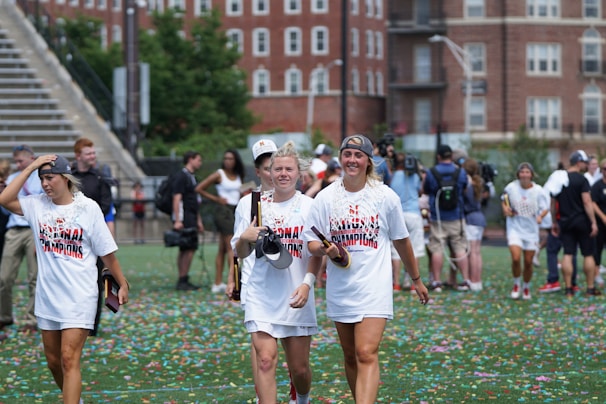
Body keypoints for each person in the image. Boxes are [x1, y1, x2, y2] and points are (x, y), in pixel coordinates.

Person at [305, 134, 429, 402]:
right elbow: (311, 243)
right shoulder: (325, 198)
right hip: (341, 287)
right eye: (347, 154)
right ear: (340, 158)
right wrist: (325, 250)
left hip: (374, 287)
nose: (352, 160)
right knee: (350, 356)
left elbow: (402, 241)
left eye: (358, 155)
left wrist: (416, 279)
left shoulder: (385, 197)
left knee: (365, 352)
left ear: (368, 161)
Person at [0, 154, 129, 403]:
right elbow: (4, 199)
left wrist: (121, 282)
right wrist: (32, 167)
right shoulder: (36, 205)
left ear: (65, 178)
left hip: (80, 295)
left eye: (50, 177)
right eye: (42, 179)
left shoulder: (88, 208)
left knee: (69, 357)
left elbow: (107, 252)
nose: (45, 183)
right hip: (48, 296)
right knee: (53, 361)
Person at [234, 141, 321, 404]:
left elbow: (316, 252)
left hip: (296, 295)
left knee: (300, 370)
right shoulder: (252, 205)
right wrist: (245, 238)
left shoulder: (310, 206)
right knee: (264, 359)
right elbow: (239, 252)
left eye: (289, 169)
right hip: (261, 294)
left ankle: (302, 399)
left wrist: (307, 284)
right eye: (278, 169)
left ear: (299, 174)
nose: (283, 174)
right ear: (268, 173)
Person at [0, 145, 44, 333]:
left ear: (32, 158)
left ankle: (32, 320)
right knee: (4, 277)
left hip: (33, 229)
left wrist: (41, 235)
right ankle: (4, 316)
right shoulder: (11, 179)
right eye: (16, 161)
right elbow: (4, 210)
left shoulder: (42, 178)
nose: (18, 165)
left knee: (34, 278)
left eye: (21, 161)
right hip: (13, 230)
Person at [71, 137, 113, 336]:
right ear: (78, 156)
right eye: (88, 153)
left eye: (94, 153)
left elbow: (105, 207)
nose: (93, 156)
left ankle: (91, 325)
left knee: (95, 283)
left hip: (93, 238)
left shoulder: (100, 178)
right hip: (70, 238)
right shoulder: (67, 177)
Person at [547, 150, 601, 297]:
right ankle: (590, 288)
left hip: (565, 221)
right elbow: (587, 201)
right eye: (584, 162)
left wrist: (554, 221)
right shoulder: (582, 180)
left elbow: (553, 203)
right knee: (588, 254)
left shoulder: (559, 179)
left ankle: (569, 288)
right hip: (582, 221)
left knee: (568, 254)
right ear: (578, 162)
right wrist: (593, 222)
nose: (586, 165)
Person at [196, 149, 245, 293]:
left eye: (231, 158)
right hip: (223, 211)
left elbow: (238, 192)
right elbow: (199, 188)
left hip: (235, 209)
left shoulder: (237, 175)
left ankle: (217, 283)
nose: (228, 161)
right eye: (226, 158)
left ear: (236, 160)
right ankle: (235, 280)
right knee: (232, 246)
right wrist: (216, 199)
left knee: (222, 249)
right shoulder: (219, 174)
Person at [422, 144, 470, 291]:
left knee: (437, 248)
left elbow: (425, 189)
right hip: (456, 216)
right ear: (451, 156)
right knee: (459, 248)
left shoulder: (431, 172)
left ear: (438, 157)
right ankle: (466, 280)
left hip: (438, 218)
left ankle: (437, 281)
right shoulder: (460, 172)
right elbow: (465, 189)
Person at [501, 163, 549, 300]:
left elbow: (545, 208)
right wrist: (505, 209)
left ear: (531, 175)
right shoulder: (511, 187)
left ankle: (526, 286)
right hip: (515, 227)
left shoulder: (538, 190)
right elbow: (504, 200)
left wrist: (540, 216)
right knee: (516, 258)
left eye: (527, 172)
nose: (524, 175)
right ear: (518, 175)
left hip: (531, 230)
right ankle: (516, 284)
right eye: (522, 172)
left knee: (528, 262)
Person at [389, 152, 425, 291]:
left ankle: (396, 283)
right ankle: (412, 284)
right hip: (414, 214)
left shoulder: (393, 177)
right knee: (414, 249)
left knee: (395, 250)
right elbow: (420, 191)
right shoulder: (415, 176)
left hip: (399, 214)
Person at [172, 151, 204, 291]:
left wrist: (199, 220)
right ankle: (182, 278)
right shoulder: (181, 176)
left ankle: (183, 278)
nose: (200, 163)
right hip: (185, 217)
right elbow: (177, 198)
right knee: (187, 247)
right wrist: (178, 219)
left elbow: (195, 202)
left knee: (187, 247)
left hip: (191, 216)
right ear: (190, 159)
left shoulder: (192, 177)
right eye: (198, 160)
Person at [462, 158, 486, 291]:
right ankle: (478, 280)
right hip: (480, 218)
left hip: (470, 219)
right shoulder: (479, 183)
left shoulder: (468, 184)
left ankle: (472, 279)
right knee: (477, 251)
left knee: (471, 252)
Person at [590, 157, 606, 288]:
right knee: (598, 249)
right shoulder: (597, 186)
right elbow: (593, 203)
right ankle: (596, 274)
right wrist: (602, 216)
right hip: (601, 224)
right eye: (605, 169)